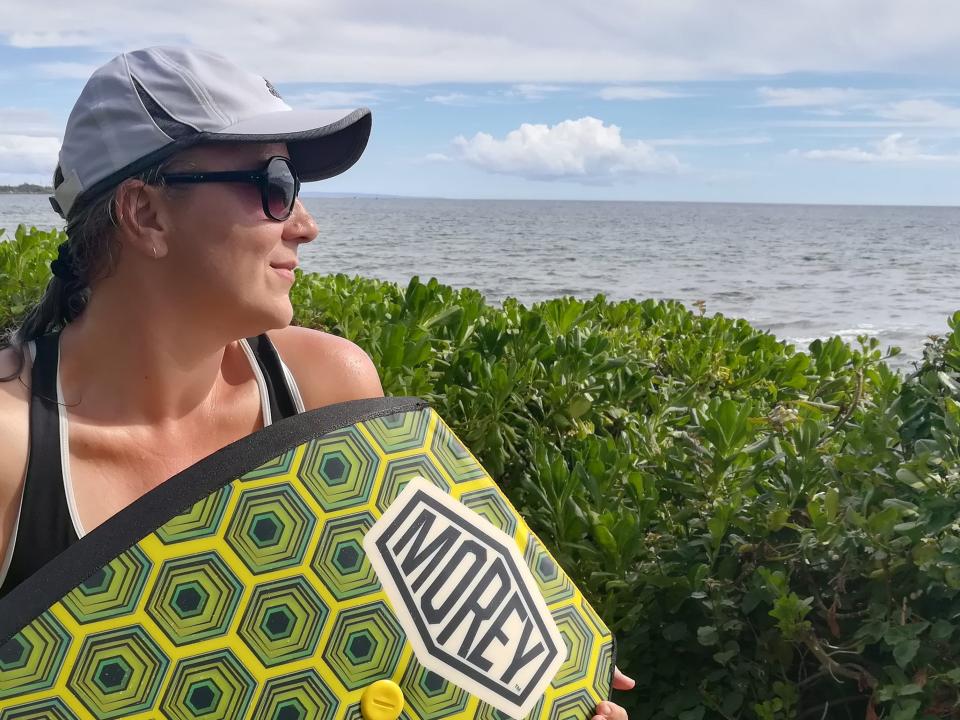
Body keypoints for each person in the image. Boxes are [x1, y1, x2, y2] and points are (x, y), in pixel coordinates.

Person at [0, 46, 633, 718]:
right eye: (274, 185)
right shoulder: (14, 451)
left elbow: (410, 650)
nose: (305, 224)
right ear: (146, 214)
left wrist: (553, 693)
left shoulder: (326, 385)